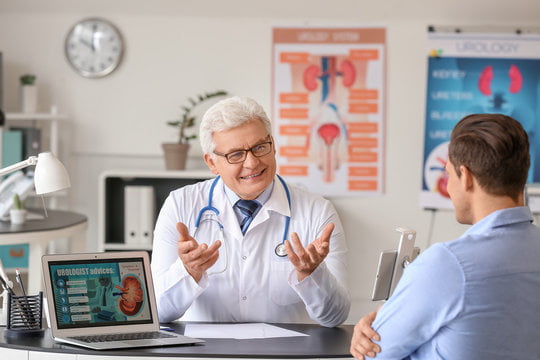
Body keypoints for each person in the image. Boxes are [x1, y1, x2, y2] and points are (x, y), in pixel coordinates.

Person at [350, 113, 540, 359]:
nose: (448, 186)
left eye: (448, 174)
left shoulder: (448, 264)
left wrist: (378, 324)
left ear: (467, 177)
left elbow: (372, 355)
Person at [151, 96, 350, 327]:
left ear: (273, 146)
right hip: (206, 354)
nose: (252, 163)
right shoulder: (180, 205)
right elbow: (156, 311)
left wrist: (313, 274)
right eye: (235, 154)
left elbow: (335, 317)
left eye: (259, 147)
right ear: (212, 162)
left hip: (283, 356)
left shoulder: (317, 211)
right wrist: (188, 271)